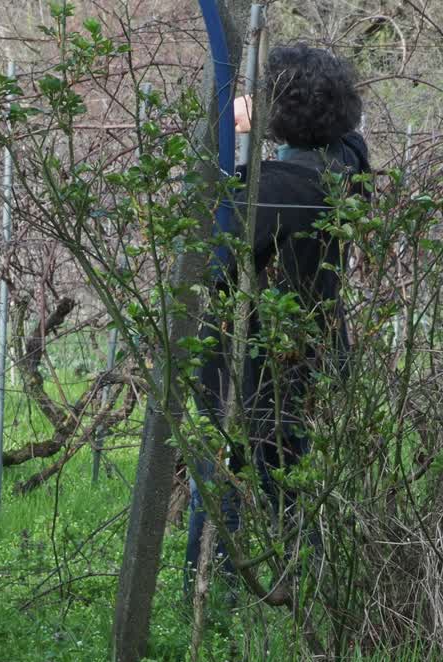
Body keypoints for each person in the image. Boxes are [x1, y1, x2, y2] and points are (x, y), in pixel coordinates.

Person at [185, 44, 371, 586]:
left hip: (255, 365)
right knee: (288, 479)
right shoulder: (344, 162)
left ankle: (218, 598)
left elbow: (212, 256)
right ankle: (305, 594)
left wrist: (233, 142)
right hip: (310, 354)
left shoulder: (280, 187)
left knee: (231, 485)